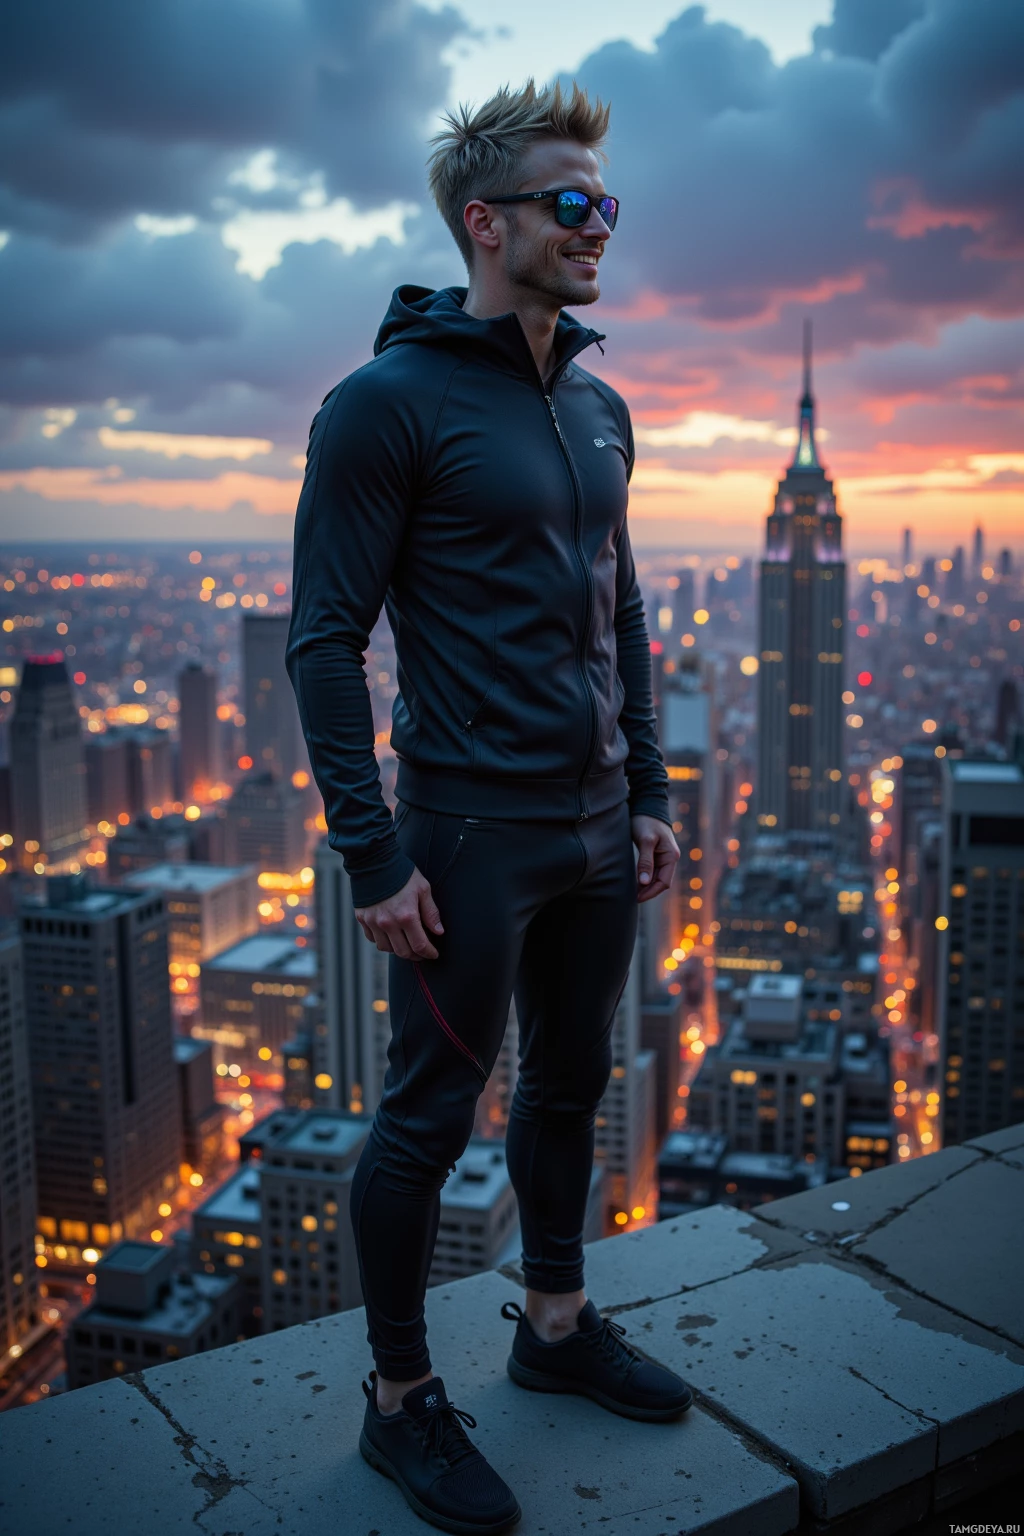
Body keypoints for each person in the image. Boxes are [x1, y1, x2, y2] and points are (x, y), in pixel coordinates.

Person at [286, 77, 692, 1536]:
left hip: (594, 829)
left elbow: (620, 610)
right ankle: (400, 1405)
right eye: (571, 204)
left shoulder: (598, 404)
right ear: (486, 222)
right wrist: (371, 851)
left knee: (574, 1086)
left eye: (609, 204)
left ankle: (557, 1324)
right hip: (462, 832)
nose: (599, 227)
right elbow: (323, 640)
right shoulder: (386, 404)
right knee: (425, 1122)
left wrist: (644, 788)